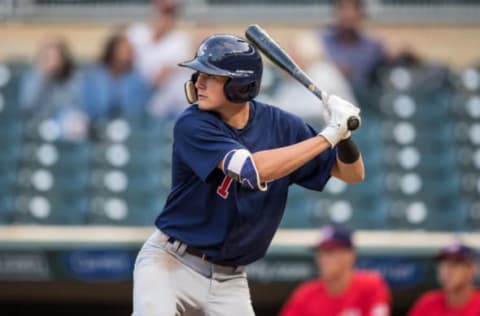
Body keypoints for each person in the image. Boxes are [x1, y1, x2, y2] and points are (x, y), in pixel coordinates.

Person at [131, 34, 364, 316]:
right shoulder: (192, 123)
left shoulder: (281, 125)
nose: (198, 82)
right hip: (171, 264)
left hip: (230, 279)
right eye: (198, 74)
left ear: (241, 86)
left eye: (211, 76)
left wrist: (344, 135)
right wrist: (329, 136)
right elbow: (251, 169)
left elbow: (352, 174)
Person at [279, 224, 390, 316]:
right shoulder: (306, 294)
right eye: (320, 252)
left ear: (349, 255)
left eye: (330, 252)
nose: (323, 259)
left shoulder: (370, 286)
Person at [127, 0, 192, 119]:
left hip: (160, 93)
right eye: (162, 12)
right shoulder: (136, 32)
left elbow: (161, 77)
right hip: (133, 86)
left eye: (170, 14)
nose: (165, 18)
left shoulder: (179, 40)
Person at [19, 35, 88, 141]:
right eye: (49, 57)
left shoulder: (73, 77)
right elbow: (27, 105)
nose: (53, 62)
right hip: (37, 122)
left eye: (57, 57)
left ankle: (70, 155)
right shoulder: (33, 77)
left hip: (63, 123)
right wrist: (44, 77)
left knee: (77, 123)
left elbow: (76, 105)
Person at [81, 30, 153, 127]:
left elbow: (138, 109)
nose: (129, 53)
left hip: (127, 127)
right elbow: (88, 106)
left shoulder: (137, 79)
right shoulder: (95, 76)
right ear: (113, 51)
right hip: (96, 125)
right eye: (124, 50)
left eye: (130, 50)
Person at [320, 0, 386, 90]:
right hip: (330, 96)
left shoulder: (373, 45)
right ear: (335, 11)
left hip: (362, 99)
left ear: (361, 12)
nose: (348, 14)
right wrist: (334, 70)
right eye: (343, 8)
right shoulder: (321, 41)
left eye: (354, 8)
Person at [408, 240, 480, 316]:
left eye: (454, 264)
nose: (447, 271)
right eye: (443, 265)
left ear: (472, 269)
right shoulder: (428, 303)